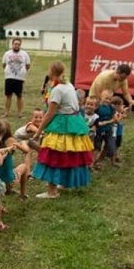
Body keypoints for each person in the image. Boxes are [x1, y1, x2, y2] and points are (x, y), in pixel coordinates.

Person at [31, 61, 94, 198]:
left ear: (51, 72)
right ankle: (66, 183)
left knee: (54, 156)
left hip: (62, 125)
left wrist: (38, 131)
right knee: (70, 155)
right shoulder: (68, 85)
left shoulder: (58, 90)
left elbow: (50, 113)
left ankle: (52, 191)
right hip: (74, 123)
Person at [1, 38, 31, 118]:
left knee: (19, 95)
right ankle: (6, 112)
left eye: (18, 44)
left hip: (19, 78)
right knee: (8, 95)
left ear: (20, 45)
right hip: (9, 77)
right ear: (12, 44)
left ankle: (20, 113)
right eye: (15, 44)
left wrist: (22, 72)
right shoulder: (7, 54)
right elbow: (4, 64)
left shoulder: (25, 54)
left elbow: (28, 65)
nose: (17, 45)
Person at [93, 90, 120, 167]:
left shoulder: (111, 108)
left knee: (110, 145)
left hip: (108, 129)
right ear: (100, 97)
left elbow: (114, 117)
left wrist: (116, 118)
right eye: (106, 98)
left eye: (110, 99)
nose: (108, 100)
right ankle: (93, 163)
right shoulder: (97, 107)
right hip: (98, 130)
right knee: (97, 147)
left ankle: (110, 161)